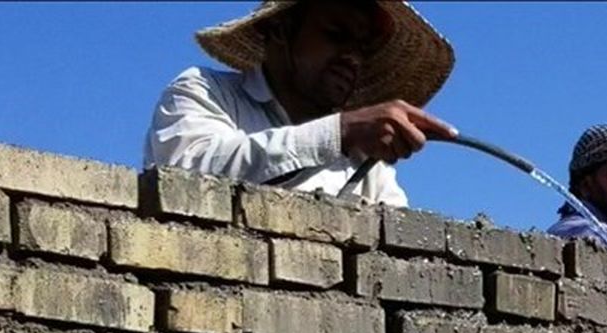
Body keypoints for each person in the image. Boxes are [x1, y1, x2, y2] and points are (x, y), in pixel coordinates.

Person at [143, 0, 458, 206]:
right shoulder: (204, 91)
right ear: (280, 28)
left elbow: (399, 241)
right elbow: (183, 178)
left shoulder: (364, 160)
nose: (352, 58)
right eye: (336, 34)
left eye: (362, 48)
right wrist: (338, 133)